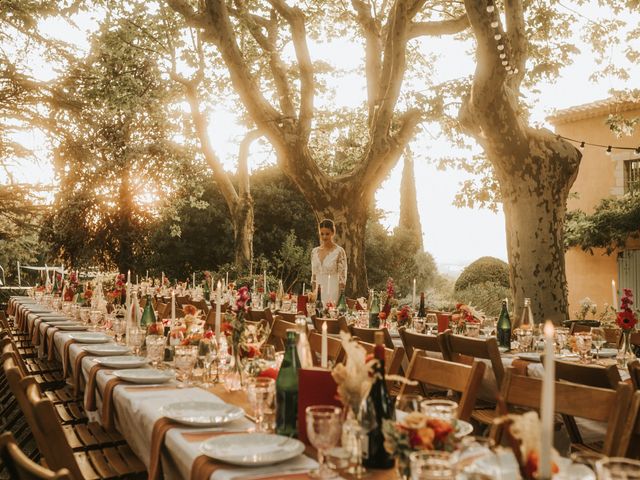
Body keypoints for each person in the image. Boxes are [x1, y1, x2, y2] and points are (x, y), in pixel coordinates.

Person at [311, 219, 347, 306]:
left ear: (333, 233)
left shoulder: (339, 251)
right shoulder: (314, 252)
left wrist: (340, 299)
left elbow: (342, 278)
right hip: (318, 293)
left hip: (333, 291)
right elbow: (314, 277)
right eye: (322, 234)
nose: (324, 237)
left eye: (327, 234)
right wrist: (313, 294)